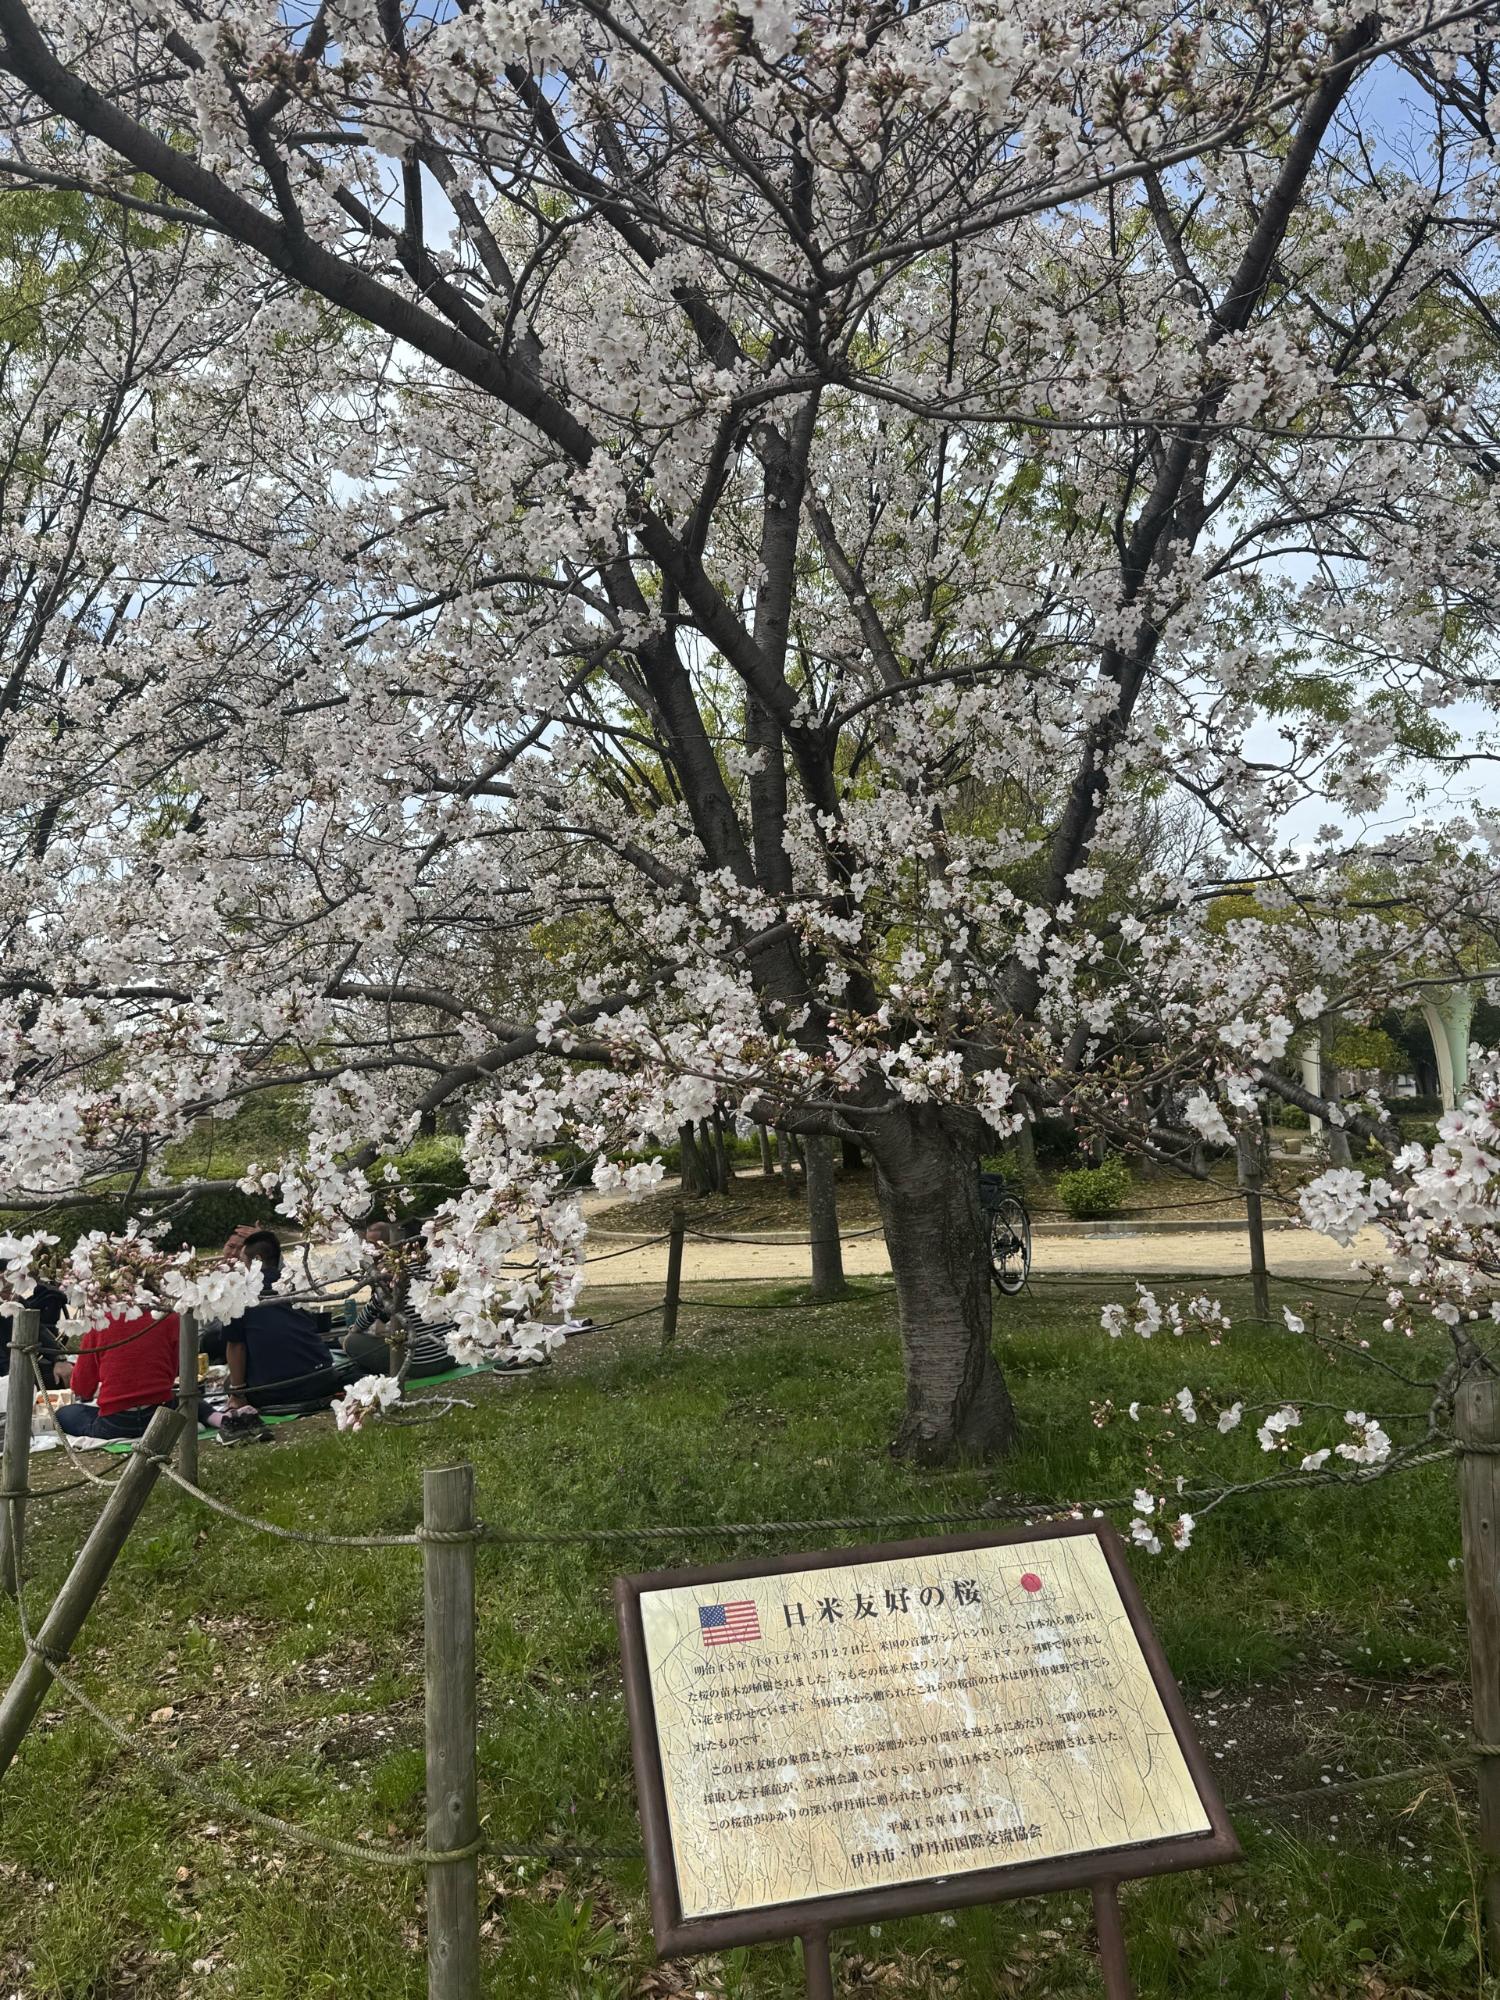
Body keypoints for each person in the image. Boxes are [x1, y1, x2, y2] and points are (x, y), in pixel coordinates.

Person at [209, 1229, 355, 1440]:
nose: (242, 1267)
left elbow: (236, 1346)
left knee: (229, 1382)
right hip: (322, 1378)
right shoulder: (297, 1282)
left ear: (256, 1260)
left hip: (274, 1391)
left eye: (244, 1260)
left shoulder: (241, 1292)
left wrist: (237, 1394)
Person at [58, 1307, 199, 1440]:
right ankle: (216, 1417)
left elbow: (82, 1387)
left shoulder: (99, 1321)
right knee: (190, 1400)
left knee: (65, 1414)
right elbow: (178, 1369)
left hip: (116, 1422)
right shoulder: (168, 1316)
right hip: (162, 1415)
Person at [341, 1220, 457, 1380]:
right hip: (452, 1355)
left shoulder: (394, 1273)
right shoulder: (439, 1265)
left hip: (420, 1363)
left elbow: (368, 1315)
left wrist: (353, 1330)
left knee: (351, 1342)